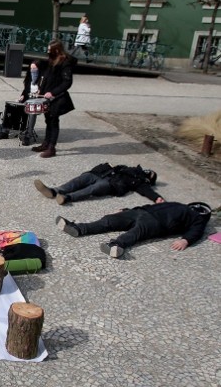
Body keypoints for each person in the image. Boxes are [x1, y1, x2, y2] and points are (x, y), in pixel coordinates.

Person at [56, 202, 212, 259]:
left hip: (156, 223)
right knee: (109, 220)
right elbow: (152, 206)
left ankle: (116, 246)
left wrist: (186, 240)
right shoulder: (179, 205)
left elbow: (197, 232)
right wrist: (126, 209)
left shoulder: (197, 219)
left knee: (136, 233)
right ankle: (78, 228)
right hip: (140, 212)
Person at [19, 40, 76, 158]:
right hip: (48, 98)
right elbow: (47, 78)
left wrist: (53, 92)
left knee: (53, 122)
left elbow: (67, 82)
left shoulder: (65, 63)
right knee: (48, 120)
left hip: (57, 97)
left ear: (56, 50)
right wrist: (41, 89)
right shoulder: (52, 61)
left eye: (50, 50)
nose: (48, 52)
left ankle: (51, 148)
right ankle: (46, 143)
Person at [34, 164, 162, 205]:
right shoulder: (129, 168)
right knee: (79, 180)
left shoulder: (140, 182)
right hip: (102, 174)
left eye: (151, 174)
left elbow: (147, 191)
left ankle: (67, 198)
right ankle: (54, 191)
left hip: (110, 184)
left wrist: (156, 198)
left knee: (92, 189)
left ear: (149, 179)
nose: (148, 171)